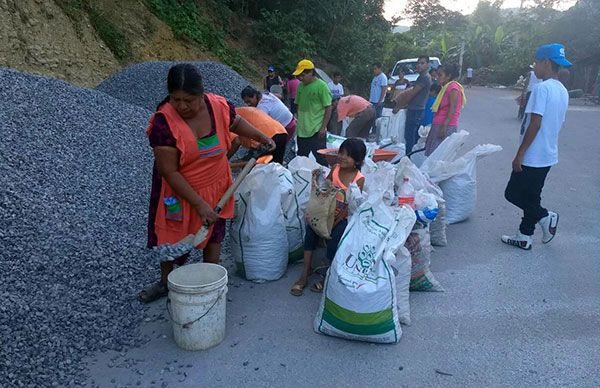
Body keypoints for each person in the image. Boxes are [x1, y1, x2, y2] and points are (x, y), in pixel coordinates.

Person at [140, 64, 275, 303]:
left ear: (202, 95)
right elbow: (169, 172)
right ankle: (166, 283)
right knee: (172, 238)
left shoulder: (217, 106)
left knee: (214, 234)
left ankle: (209, 283)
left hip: (217, 185)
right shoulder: (164, 123)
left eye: (189, 100)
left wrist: (260, 136)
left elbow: (235, 122)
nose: (182, 106)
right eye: (176, 99)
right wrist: (200, 205)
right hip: (178, 192)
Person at [502, 43, 571, 250]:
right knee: (532, 195)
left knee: (512, 194)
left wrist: (520, 153)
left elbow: (535, 123)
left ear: (546, 62)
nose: (534, 67)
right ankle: (524, 235)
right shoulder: (562, 90)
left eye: (536, 62)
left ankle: (546, 216)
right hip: (548, 152)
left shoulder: (541, 89)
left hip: (534, 154)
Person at [290, 138, 366, 296]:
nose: (342, 157)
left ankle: (327, 276)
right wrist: (318, 180)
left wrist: (330, 225)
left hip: (342, 217)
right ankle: (305, 273)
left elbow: (350, 205)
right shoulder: (336, 168)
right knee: (310, 232)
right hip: (326, 212)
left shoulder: (359, 178)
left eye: (348, 155)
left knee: (335, 239)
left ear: (357, 160)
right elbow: (325, 190)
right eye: (341, 153)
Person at [293, 59, 333, 166]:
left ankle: (325, 180)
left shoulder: (322, 86)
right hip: (302, 131)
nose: (300, 78)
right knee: (301, 160)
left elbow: (328, 108)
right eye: (299, 76)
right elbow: (298, 105)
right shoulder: (300, 86)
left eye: (302, 75)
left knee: (321, 159)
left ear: (311, 72)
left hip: (316, 130)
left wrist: (323, 127)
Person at [425, 64, 466, 156]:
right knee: (433, 156)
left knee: (438, 156)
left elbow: (453, 108)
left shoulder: (453, 88)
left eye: (440, 75)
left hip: (445, 126)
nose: (437, 78)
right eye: (437, 75)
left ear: (448, 76)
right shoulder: (445, 87)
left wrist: (444, 127)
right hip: (438, 124)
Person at [394, 55, 432, 152]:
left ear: (428, 65)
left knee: (409, 136)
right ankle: (409, 157)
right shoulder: (422, 77)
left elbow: (412, 94)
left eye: (422, 63)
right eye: (418, 63)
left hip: (416, 111)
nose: (419, 65)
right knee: (412, 137)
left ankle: (408, 158)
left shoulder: (424, 78)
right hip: (416, 109)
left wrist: (399, 106)